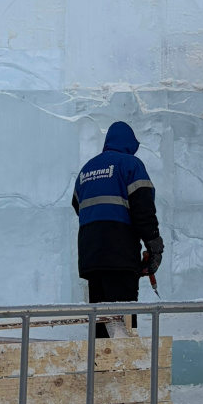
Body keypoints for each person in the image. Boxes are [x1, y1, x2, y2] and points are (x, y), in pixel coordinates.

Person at [72, 121, 164, 337]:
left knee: (101, 320)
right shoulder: (131, 164)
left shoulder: (86, 170)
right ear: (129, 144)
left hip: (91, 256)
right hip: (120, 254)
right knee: (122, 320)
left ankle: (100, 367)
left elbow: (78, 205)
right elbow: (143, 211)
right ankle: (124, 366)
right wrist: (155, 247)